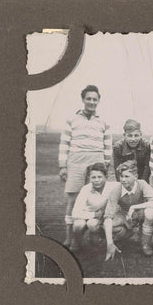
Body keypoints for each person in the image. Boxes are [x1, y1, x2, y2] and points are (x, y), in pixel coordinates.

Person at [58, 85, 112, 249]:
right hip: (76, 160)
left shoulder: (103, 121)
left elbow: (107, 145)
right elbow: (64, 144)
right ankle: (72, 237)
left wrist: (106, 164)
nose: (91, 102)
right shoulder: (72, 120)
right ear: (83, 100)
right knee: (73, 199)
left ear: (98, 101)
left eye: (95, 99)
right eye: (88, 98)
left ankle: (96, 235)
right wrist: (63, 166)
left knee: (98, 198)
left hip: (96, 159)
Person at [103, 161, 153, 260]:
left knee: (150, 212)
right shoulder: (117, 190)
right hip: (124, 214)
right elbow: (108, 217)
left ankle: (146, 243)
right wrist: (109, 243)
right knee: (110, 224)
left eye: (127, 176)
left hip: (140, 212)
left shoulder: (142, 184)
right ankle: (127, 235)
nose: (123, 180)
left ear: (135, 176)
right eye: (121, 176)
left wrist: (134, 207)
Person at [71, 163, 119, 252]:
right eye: (93, 177)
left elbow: (128, 184)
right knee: (79, 224)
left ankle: (95, 238)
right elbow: (74, 213)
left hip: (104, 217)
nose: (97, 180)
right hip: (87, 216)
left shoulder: (113, 186)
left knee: (93, 224)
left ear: (106, 177)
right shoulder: (86, 189)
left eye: (100, 177)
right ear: (89, 178)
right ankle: (77, 241)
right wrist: (94, 214)